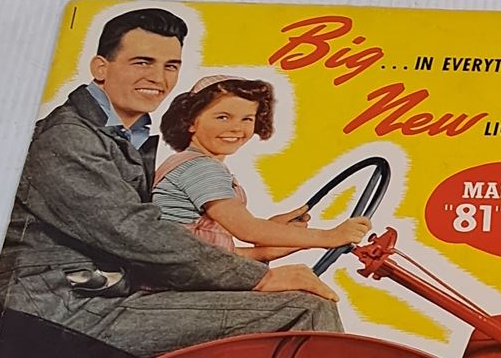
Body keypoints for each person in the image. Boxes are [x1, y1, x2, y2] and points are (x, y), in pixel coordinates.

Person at [0, 7, 345, 358]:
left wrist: (261, 251)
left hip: (86, 303)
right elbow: (136, 233)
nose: (158, 78)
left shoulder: (122, 138)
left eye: (170, 66)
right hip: (52, 319)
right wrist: (261, 277)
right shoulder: (69, 137)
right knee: (306, 306)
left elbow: (152, 235)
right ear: (101, 67)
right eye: (142, 62)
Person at [153, 74, 372, 259]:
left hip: (186, 266)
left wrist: (273, 241)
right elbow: (247, 229)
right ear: (191, 122)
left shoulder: (186, 162)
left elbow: (215, 251)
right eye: (223, 117)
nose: (236, 128)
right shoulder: (201, 169)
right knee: (304, 285)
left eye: (247, 119)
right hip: (181, 273)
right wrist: (329, 236)